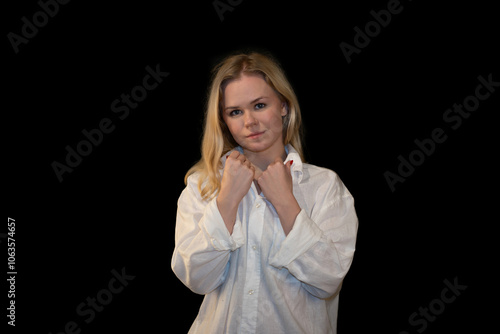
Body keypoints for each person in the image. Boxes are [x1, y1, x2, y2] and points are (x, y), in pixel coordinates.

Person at [171, 51, 358, 333]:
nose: (249, 122)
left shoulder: (324, 186)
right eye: (235, 112)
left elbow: (328, 280)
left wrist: (286, 203)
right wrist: (227, 201)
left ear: (283, 105)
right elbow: (196, 279)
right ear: (223, 121)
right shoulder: (203, 185)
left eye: (259, 105)